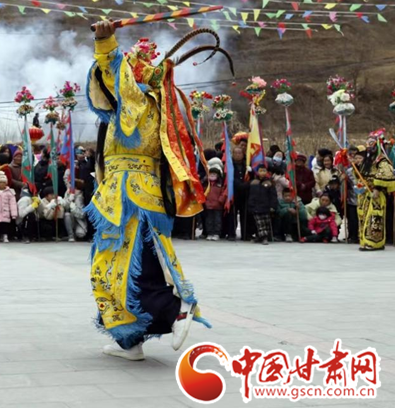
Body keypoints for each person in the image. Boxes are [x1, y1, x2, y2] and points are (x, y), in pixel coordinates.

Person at [86, 22, 223, 360]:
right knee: (123, 264)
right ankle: (130, 339)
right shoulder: (153, 107)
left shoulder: (140, 102)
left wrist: (105, 42)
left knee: (128, 264)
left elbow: (113, 73)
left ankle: (175, 310)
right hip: (127, 195)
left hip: (129, 196)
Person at [354, 131, 395, 251]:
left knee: (374, 218)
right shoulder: (367, 160)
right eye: (368, 143)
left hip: (375, 194)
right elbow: (360, 175)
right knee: (364, 217)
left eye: (372, 143)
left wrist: (377, 188)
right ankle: (364, 240)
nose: (369, 146)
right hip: (364, 193)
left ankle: (374, 242)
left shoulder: (381, 159)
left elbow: (386, 174)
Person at [247, 164, 278, 245]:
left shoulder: (269, 183)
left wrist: (273, 206)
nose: (262, 173)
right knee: (259, 223)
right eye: (260, 171)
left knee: (266, 222)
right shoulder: (253, 182)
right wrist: (250, 204)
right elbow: (251, 195)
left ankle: (261, 236)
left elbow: (273, 196)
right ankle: (263, 237)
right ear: (257, 172)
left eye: (264, 171)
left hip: (266, 206)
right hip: (255, 206)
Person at [202, 163, 227, 241]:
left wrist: (220, 200)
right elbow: (203, 193)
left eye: (214, 174)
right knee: (209, 220)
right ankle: (209, 233)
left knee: (217, 220)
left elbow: (223, 193)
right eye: (211, 174)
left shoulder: (220, 184)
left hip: (218, 206)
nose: (212, 176)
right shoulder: (206, 184)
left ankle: (216, 233)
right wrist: (204, 201)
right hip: (208, 205)